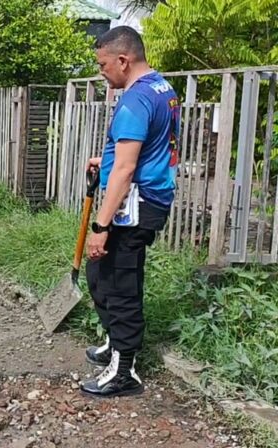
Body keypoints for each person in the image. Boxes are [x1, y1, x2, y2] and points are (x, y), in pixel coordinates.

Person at [81, 26, 180, 398]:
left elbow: (125, 169)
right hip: (151, 195)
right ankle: (115, 341)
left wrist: (101, 225)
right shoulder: (161, 88)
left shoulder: (135, 100)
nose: (102, 72)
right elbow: (144, 149)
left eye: (103, 65)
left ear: (123, 60)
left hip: (134, 205)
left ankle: (124, 371)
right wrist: (103, 162)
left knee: (118, 283)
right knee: (103, 273)